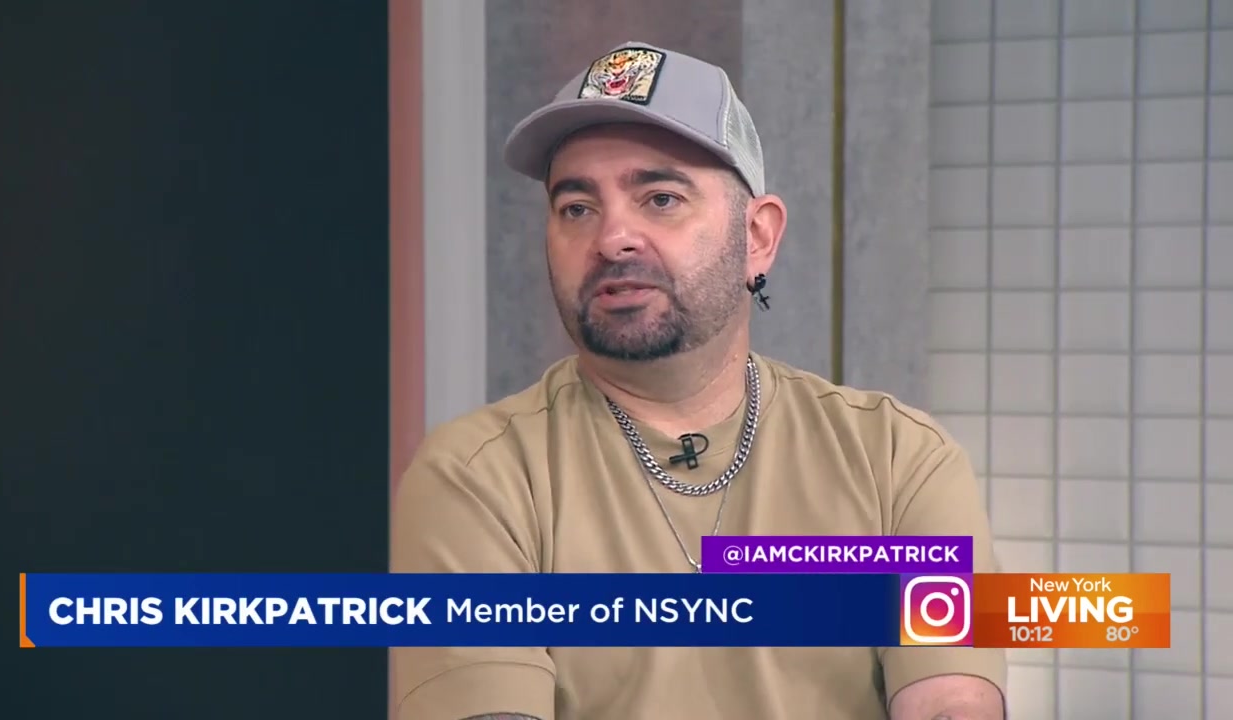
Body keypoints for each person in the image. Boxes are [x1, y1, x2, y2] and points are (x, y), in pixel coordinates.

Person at [391, 41, 1007, 720]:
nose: (613, 238)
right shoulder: (480, 476)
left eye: (660, 198)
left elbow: (952, 700)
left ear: (758, 237)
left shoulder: (895, 459)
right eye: (577, 208)